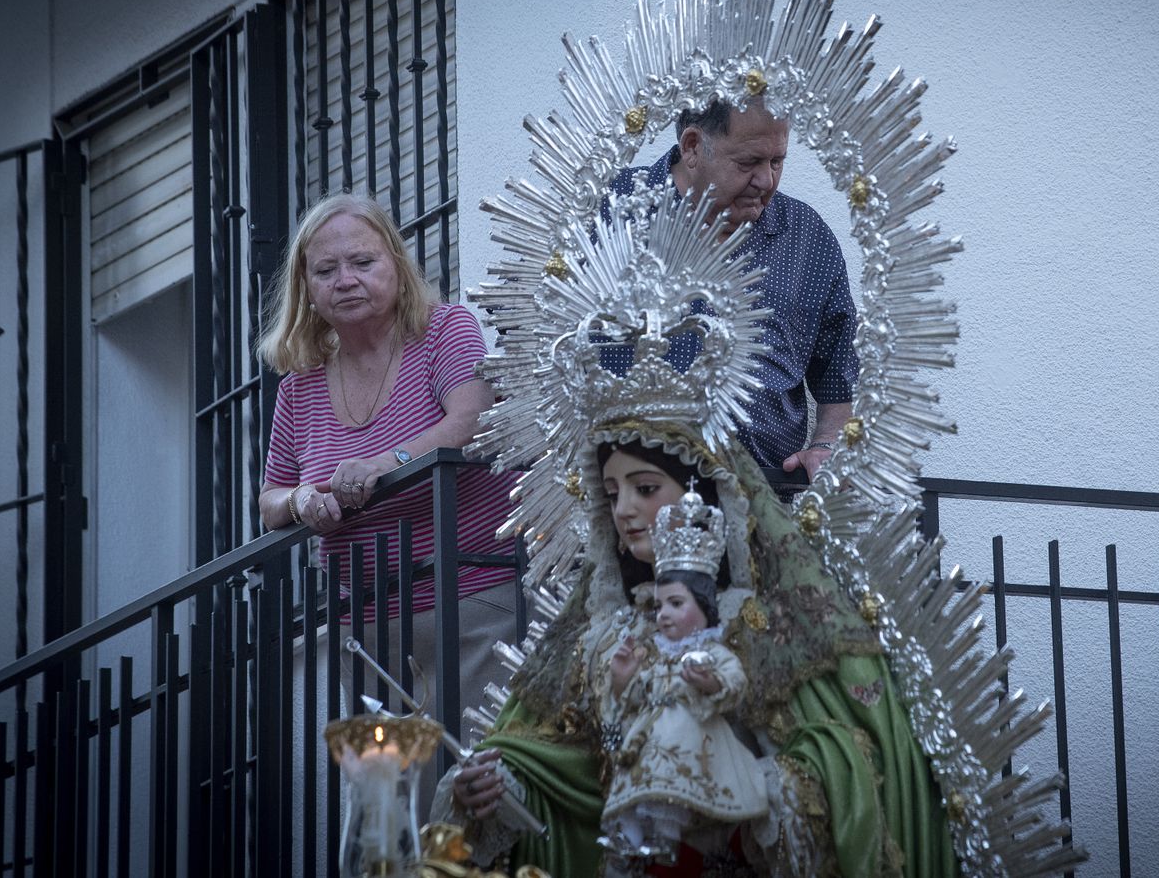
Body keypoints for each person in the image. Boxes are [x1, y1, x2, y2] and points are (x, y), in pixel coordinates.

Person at [432, 424, 959, 877]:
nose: (625, 510)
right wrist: (499, 789)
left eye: (644, 487)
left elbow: (849, 762)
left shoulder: (776, 624)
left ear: (703, 494)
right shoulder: (601, 635)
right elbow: (567, 766)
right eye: (613, 493)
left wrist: (761, 790)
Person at [256, 191, 519, 712]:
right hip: (366, 629)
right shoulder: (298, 385)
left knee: (477, 783)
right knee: (390, 793)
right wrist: (304, 499)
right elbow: (270, 501)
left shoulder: (444, 329)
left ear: (396, 266)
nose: (346, 280)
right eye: (325, 270)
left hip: (470, 597)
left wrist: (385, 464)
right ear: (306, 289)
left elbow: (471, 418)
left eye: (362, 262)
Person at [609, 99, 857, 480]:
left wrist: (825, 446)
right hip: (624, 509)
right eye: (749, 163)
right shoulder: (608, 211)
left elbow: (837, 375)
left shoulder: (807, 236)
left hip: (764, 507)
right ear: (692, 147)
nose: (767, 181)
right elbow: (539, 334)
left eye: (777, 162)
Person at [596, 489, 768, 870]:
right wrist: (624, 681)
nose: (663, 615)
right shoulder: (654, 654)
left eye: (676, 604)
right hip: (651, 738)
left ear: (704, 608)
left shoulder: (712, 651)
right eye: (659, 606)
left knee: (671, 795)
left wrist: (709, 683)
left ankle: (665, 840)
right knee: (636, 784)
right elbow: (642, 695)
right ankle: (632, 838)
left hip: (694, 741)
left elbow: (734, 682)